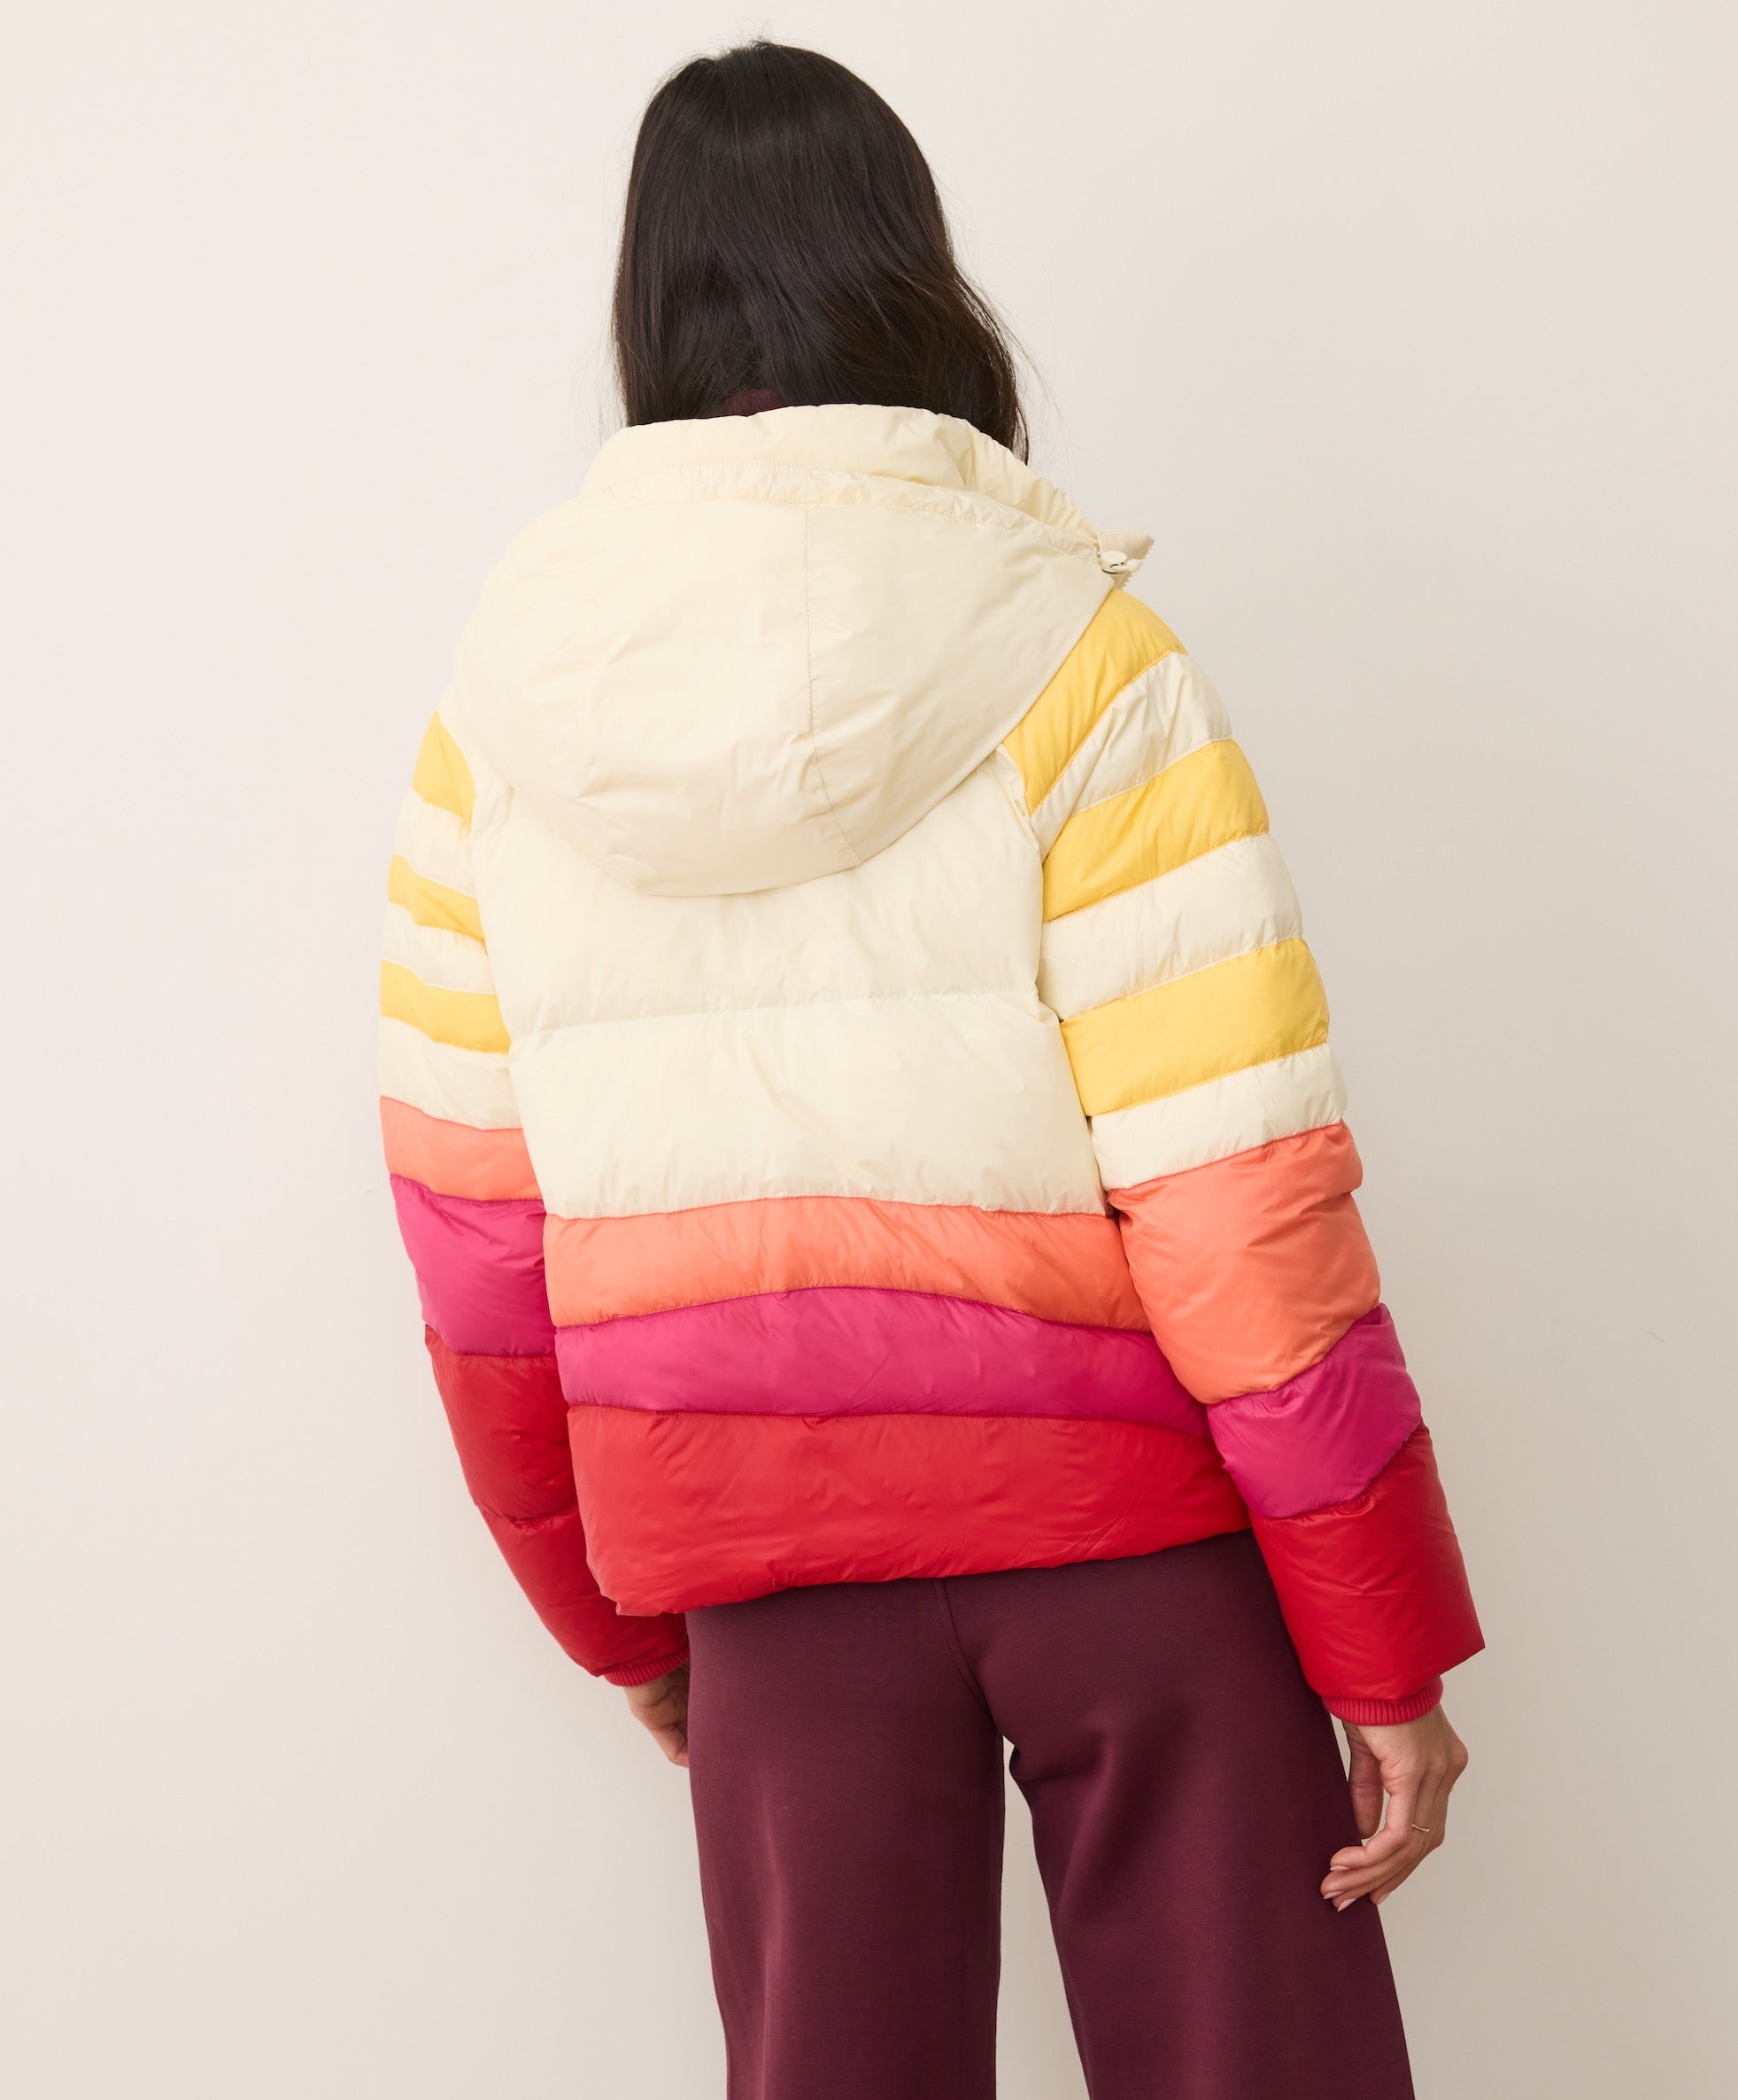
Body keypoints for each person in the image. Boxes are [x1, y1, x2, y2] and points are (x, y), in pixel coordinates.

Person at [377, 38, 1482, 2100]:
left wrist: (615, 1620)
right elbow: (1235, 1190)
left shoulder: (499, 717)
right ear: (911, 272)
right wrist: (1378, 1632)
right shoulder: (1083, 648)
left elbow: (472, 1238)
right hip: (1127, 1531)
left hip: (763, 1546)